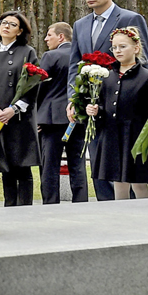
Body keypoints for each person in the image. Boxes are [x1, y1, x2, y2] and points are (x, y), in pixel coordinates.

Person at [66, 0, 148, 201]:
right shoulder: (80, 25)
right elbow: (75, 65)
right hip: (92, 108)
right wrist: (73, 100)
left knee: (126, 168)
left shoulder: (130, 18)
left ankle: (134, 215)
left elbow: (143, 63)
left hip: (124, 111)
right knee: (99, 163)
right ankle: (106, 210)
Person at [86, 27, 148, 200]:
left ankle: (144, 214)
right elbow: (104, 105)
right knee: (118, 179)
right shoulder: (107, 76)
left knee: (138, 180)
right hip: (112, 134)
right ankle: (121, 214)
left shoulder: (147, 77)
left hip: (136, 134)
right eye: (114, 47)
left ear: (136, 48)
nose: (118, 51)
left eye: (123, 46)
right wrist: (95, 111)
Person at [0, 11, 40, 207]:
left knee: (21, 167)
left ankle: (24, 209)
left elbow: (34, 83)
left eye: (12, 24)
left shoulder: (27, 52)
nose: (6, 26)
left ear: (20, 30)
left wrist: (15, 108)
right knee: (5, 167)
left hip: (19, 119)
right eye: (3, 23)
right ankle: (10, 207)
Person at [36, 22, 88, 204]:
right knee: (78, 164)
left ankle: (51, 203)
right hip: (78, 116)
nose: (45, 39)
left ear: (61, 37)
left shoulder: (51, 56)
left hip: (52, 118)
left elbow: (41, 87)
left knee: (49, 165)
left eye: (49, 35)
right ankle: (80, 201)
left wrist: (38, 115)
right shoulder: (82, 57)